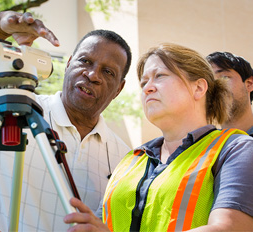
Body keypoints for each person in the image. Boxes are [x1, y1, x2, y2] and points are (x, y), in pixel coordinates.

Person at [0, 11, 132, 231]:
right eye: (85, 61)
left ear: (119, 88)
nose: (92, 75)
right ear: (69, 63)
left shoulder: (127, 161)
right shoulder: (8, 107)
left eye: (108, 72)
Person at [63, 43, 253, 231]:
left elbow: (230, 228)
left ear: (199, 88)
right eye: (144, 82)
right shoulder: (131, 160)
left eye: (159, 76)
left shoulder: (236, 148)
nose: (147, 88)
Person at [206, 52, 253, 136]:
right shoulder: (206, 143)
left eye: (224, 77)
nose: (217, 86)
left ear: (249, 84)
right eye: (210, 81)